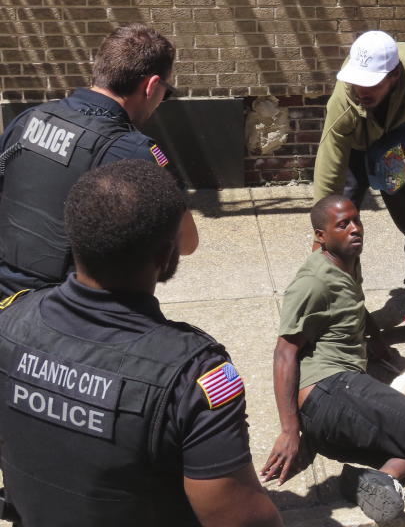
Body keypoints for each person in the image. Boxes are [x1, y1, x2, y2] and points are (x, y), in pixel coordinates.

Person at [0, 160, 281, 527]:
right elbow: (243, 522)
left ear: (75, 242)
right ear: (165, 259)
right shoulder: (193, 377)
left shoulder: (10, 321)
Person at [260, 195, 405, 527]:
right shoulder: (313, 281)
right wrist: (289, 429)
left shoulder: (349, 260)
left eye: (357, 221)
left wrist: (377, 341)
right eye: (343, 224)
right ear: (320, 236)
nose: (355, 229)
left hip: (346, 395)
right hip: (329, 390)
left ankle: (382, 477)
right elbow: (284, 352)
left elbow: (353, 303)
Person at [0, 23, 198, 296]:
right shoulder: (136, 152)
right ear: (151, 86)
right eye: (167, 92)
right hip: (64, 311)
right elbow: (186, 242)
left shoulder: (29, 119)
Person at [312, 30, 405, 352]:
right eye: (357, 81)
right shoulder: (346, 96)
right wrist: (322, 224)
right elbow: (330, 155)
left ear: (395, 76)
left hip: (398, 148)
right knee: (336, 236)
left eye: (372, 82)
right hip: (355, 150)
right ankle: (348, 315)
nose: (361, 89)